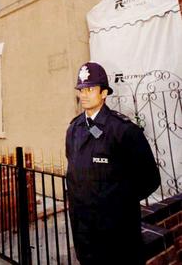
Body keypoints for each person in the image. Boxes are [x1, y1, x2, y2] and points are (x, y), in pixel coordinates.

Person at [66, 62, 160, 265]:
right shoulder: (74, 129)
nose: (84, 94)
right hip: (84, 232)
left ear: (104, 93)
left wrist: (116, 205)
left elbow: (149, 179)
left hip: (117, 233)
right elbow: (74, 173)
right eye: (81, 89)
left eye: (90, 89)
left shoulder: (124, 131)